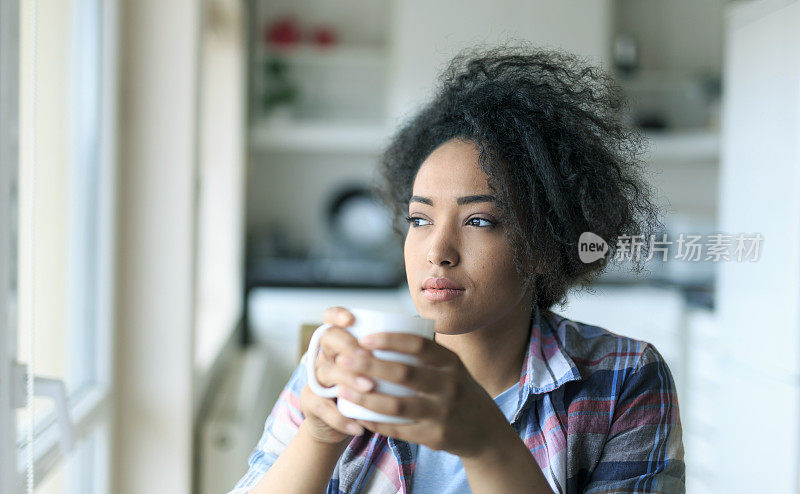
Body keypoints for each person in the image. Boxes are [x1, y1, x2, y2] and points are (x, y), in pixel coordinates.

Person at [229, 43, 685, 493]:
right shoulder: (340, 367)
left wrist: (486, 442)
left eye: (479, 221)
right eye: (420, 219)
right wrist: (318, 435)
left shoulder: (624, 378)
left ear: (547, 244)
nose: (438, 251)